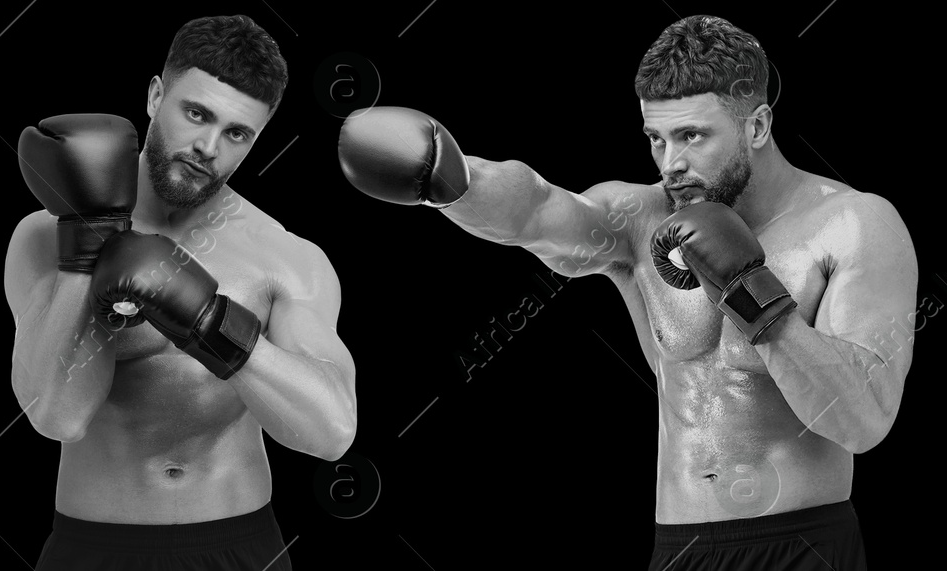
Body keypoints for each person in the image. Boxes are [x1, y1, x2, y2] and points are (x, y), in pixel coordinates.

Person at [337, 15, 914, 570]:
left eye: (692, 135)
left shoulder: (853, 223)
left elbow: (864, 420)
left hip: (802, 548)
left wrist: (749, 292)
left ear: (757, 126)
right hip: (679, 548)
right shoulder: (639, 220)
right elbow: (536, 209)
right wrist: (450, 177)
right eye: (656, 139)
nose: (673, 164)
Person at [4, 14, 357, 571]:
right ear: (155, 95)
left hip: (240, 548)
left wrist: (209, 321)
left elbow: (332, 432)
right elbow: (56, 416)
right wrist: (86, 246)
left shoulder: (286, 258)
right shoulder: (43, 236)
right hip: (92, 549)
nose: (208, 147)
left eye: (237, 133)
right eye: (196, 113)